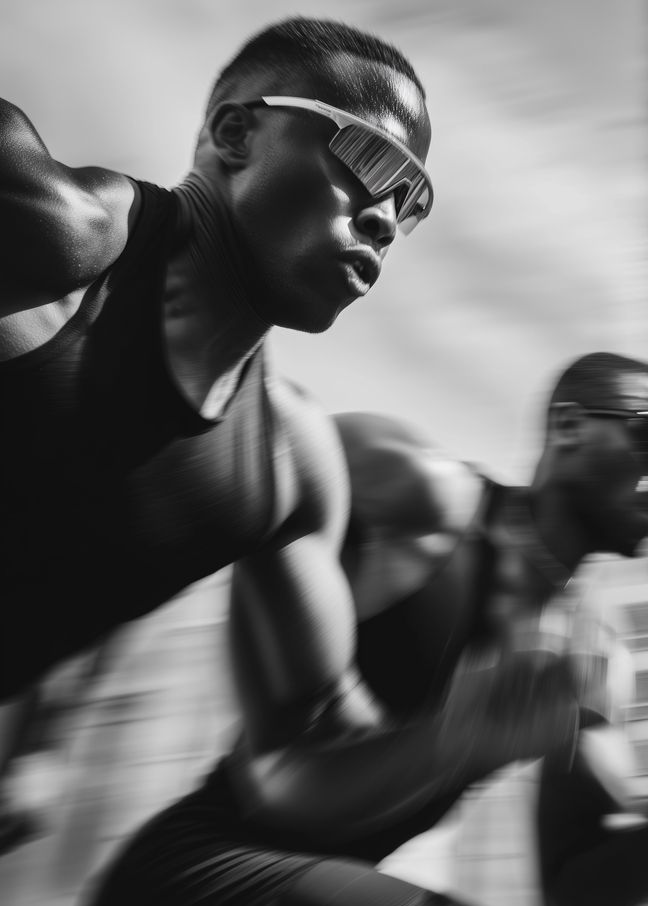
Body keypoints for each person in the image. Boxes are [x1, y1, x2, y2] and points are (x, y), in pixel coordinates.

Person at [72, 352, 648, 906]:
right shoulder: (405, 492)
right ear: (569, 425)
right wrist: (453, 739)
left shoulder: (593, 654)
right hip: (190, 890)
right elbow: (277, 777)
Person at [0, 16, 434, 702]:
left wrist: (459, 737)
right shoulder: (49, 234)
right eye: (369, 158)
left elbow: (309, 735)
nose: (386, 218)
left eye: (411, 200)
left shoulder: (288, 472)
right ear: (236, 135)